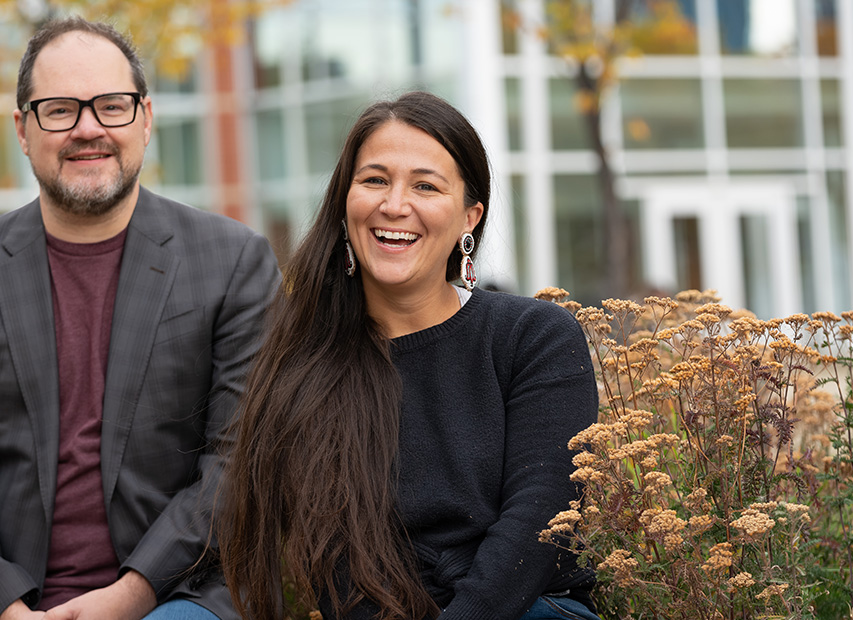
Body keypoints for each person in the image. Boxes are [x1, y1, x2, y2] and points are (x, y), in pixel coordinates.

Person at [0, 17, 279, 620]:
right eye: (59, 110)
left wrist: (131, 595)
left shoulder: (233, 262)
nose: (88, 129)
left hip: (179, 595)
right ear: (23, 129)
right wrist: (7, 608)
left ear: (146, 119)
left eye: (111, 106)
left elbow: (239, 462)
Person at [217, 92, 600, 620]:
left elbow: (540, 517)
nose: (395, 205)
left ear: (470, 217)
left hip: (525, 609)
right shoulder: (306, 363)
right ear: (344, 202)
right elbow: (335, 569)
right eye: (374, 180)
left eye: (425, 185)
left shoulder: (534, 337)